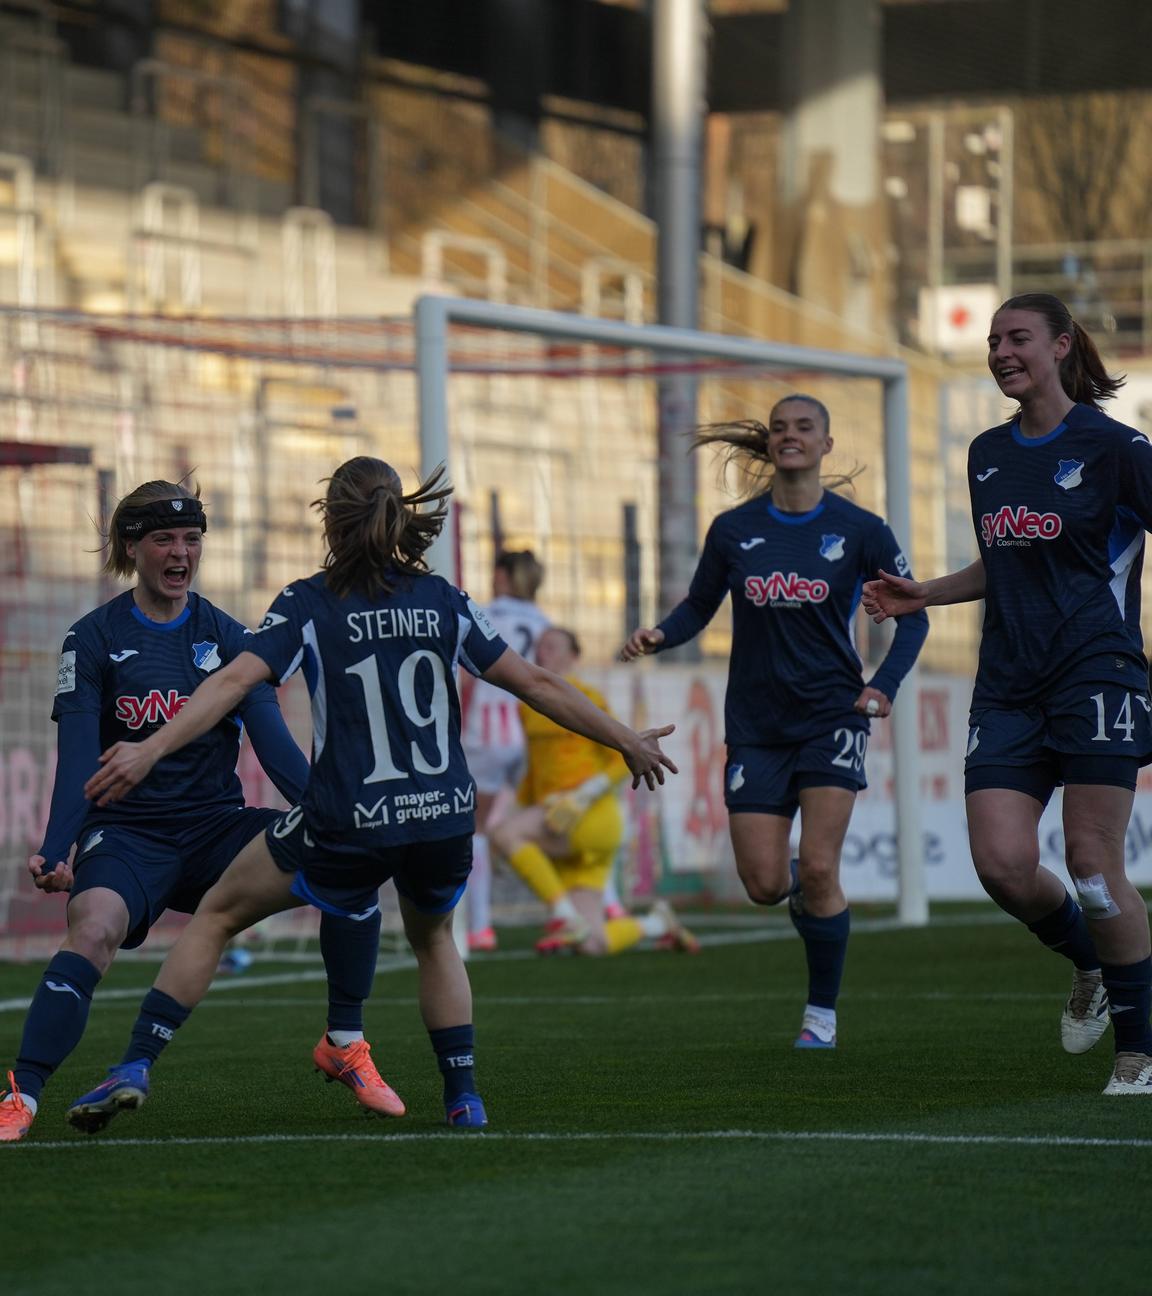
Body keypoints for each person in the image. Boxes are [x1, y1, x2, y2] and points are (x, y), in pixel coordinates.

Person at [72, 456, 678, 1132]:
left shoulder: (307, 603)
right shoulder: (444, 599)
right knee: (435, 940)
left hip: (349, 817)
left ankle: (136, 1062)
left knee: (215, 914)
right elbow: (535, 683)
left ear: (331, 520)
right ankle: (463, 1097)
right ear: (399, 517)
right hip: (442, 815)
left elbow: (233, 682)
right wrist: (624, 739)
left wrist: (150, 747)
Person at [0, 480, 386, 1144]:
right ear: (131, 548)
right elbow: (77, 760)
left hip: (217, 832)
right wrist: (57, 847)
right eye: (164, 540)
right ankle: (21, 1094)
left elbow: (277, 750)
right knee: (92, 929)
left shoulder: (231, 637)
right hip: (127, 835)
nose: (180, 553)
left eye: (191, 539)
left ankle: (345, 1041)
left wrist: (335, 815)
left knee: (351, 864)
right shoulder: (92, 638)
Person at [863, 292, 1152, 1095]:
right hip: (1008, 686)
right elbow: (1008, 559)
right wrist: (926, 593)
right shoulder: (987, 452)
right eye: (993, 341)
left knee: (1092, 865)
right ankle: (1093, 966)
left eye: (1017, 338)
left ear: (1061, 346)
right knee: (1001, 864)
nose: (999, 353)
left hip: (1097, 674)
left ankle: (1138, 1052)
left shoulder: (1117, 448)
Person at [621, 395, 928, 1048]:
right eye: (780, 427)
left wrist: (883, 685)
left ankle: (821, 1014)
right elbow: (699, 606)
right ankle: (805, 896)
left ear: (826, 443)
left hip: (832, 717)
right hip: (756, 725)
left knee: (818, 868)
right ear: (769, 443)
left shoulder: (860, 529)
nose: (791, 436)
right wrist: (660, 634)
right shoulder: (734, 529)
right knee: (764, 884)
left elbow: (914, 616)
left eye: (804, 427)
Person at [489, 626, 698, 956]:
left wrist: (583, 795)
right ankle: (658, 924)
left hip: (590, 818)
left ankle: (564, 917)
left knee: (503, 834)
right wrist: (518, 809)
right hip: (556, 819)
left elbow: (620, 759)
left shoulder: (587, 698)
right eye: (540, 647)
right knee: (591, 944)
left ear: (574, 656)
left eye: (553, 646)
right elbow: (536, 770)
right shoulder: (526, 707)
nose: (543, 652)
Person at [460, 550, 551, 952]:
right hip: (531, 728)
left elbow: (466, 679)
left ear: (502, 576)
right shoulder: (543, 622)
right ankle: (598, 906)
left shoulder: (485, 614)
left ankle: (479, 926)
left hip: (490, 730)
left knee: (475, 828)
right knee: (549, 816)